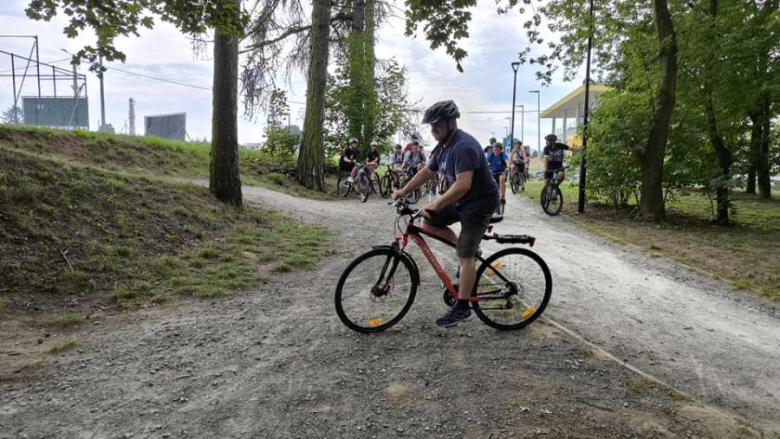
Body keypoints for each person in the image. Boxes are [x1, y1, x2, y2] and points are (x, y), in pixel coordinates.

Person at [393, 100, 499, 327]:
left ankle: (462, 307)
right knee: (427, 222)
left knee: (464, 257)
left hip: (478, 204)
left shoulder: (464, 147)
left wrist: (436, 203)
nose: (433, 130)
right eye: (431, 126)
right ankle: (469, 248)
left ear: (452, 123)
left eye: (437, 125)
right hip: (461, 200)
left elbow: (463, 185)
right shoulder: (442, 147)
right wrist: (404, 190)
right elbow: (426, 173)